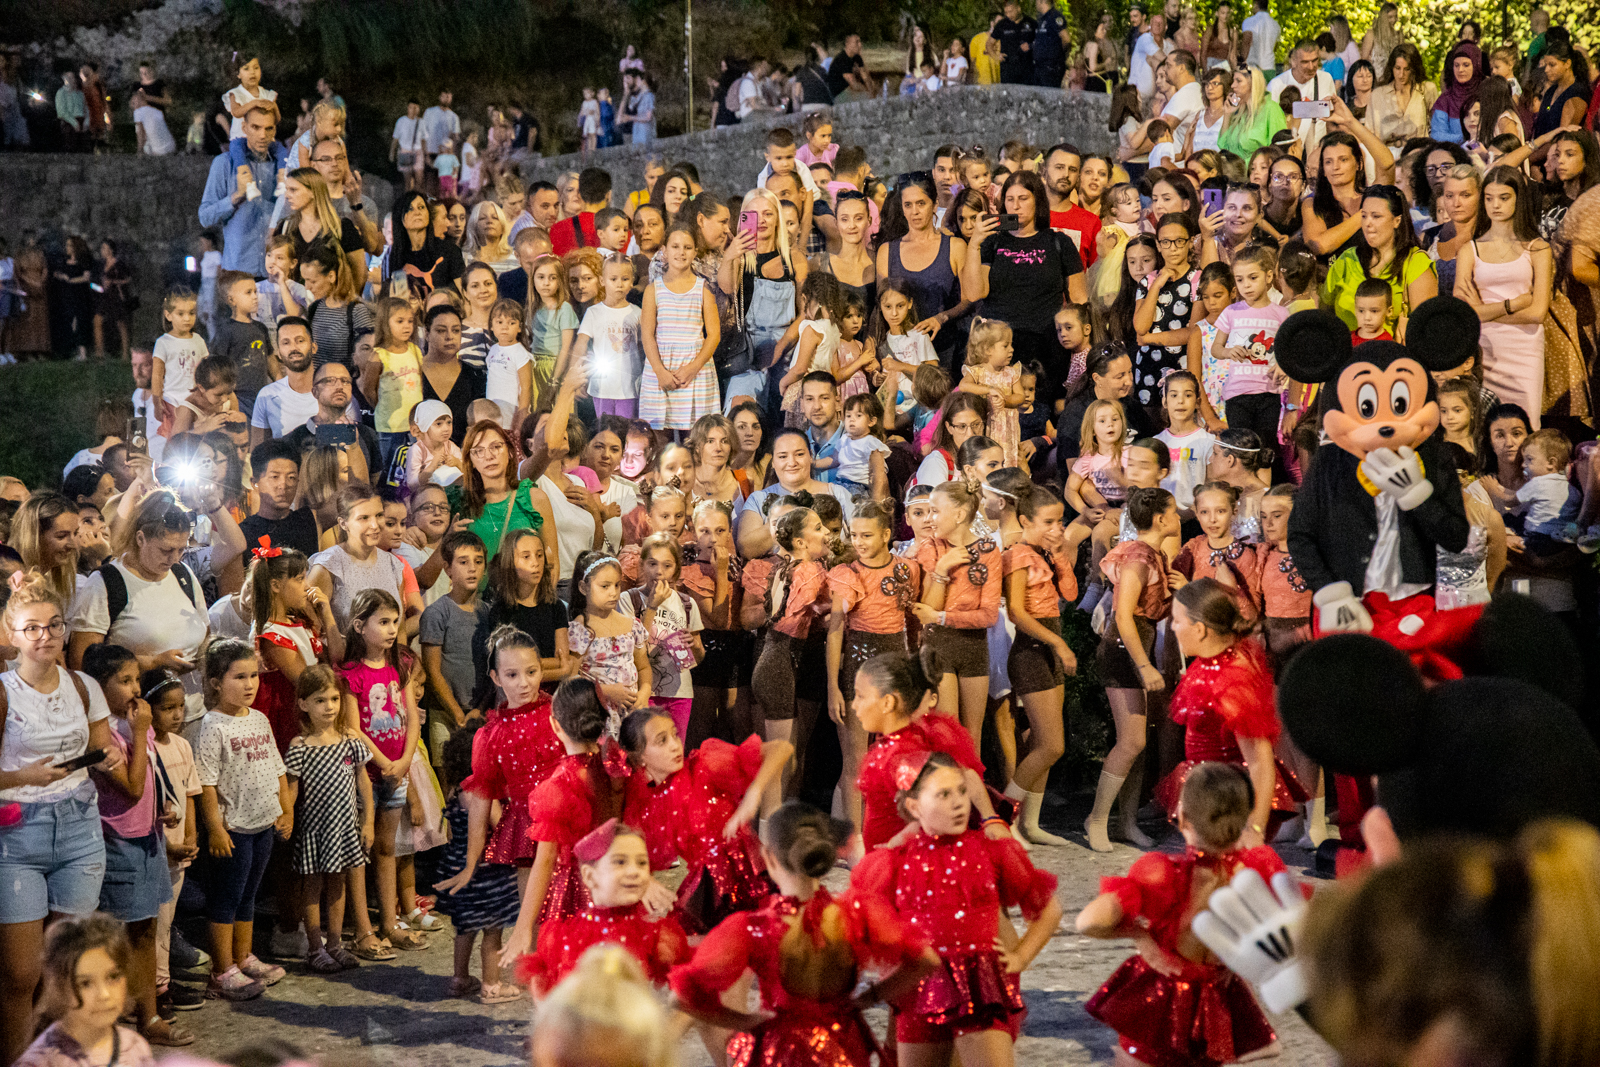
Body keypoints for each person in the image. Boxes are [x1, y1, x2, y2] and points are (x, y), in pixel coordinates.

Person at [851, 750, 1062, 1067]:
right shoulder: (894, 863)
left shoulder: (992, 853)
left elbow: (1049, 909)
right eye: (944, 795)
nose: (959, 803)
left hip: (980, 987)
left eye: (962, 792)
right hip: (920, 988)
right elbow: (859, 928)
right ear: (914, 806)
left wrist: (1020, 956)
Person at [1078, 762, 1295, 1067]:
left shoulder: (1164, 875)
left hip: (1160, 1008)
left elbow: (1087, 922)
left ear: (1182, 818)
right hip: (1213, 1013)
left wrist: (1141, 937)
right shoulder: (1255, 871)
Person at [0, 574, 119, 1065]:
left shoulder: (83, 685)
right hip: (16, 833)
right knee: (20, 975)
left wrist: (108, 757)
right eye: (32, 628)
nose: (44, 636)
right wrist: (22, 776)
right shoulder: (4, 692)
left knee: (70, 967)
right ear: (11, 634)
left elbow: (102, 747)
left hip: (79, 827)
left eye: (53, 625)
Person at [1456, 166, 1552, 430]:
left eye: (1504, 197)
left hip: (1525, 348)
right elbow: (1464, 312)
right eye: (1489, 198)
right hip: (1485, 347)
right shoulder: (1469, 250)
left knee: (1527, 423)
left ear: (1518, 199)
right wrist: (1512, 304)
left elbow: (1538, 313)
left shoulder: (1538, 248)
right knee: (1486, 426)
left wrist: (1484, 311)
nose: (1495, 205)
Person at [14, 915, 157, 1067]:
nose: (104, 994)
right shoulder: (42, 1061)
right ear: (59, 988)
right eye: (86, 983)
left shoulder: (136, 1047)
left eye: (113, 977)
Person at [197, 102, 279, 277]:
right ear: (244, 128)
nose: (262, 135)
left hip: (273, 274)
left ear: (274, 131)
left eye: (268, 128)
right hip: (238, 273)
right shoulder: (225, 163)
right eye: (256, 127)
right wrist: (235, 197)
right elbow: (205, 217)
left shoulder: (281, 167)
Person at [825, 35, 875, 101]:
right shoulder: (842, 59)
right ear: (847, 43)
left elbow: (865, 77)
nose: (860, 45)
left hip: (848, 92)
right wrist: (866, 90)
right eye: (856, 42)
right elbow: (853, 85)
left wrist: (871, 90)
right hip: (837, 95)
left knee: (873, 96)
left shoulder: (857, 57)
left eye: (860, 42)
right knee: (865, 97)